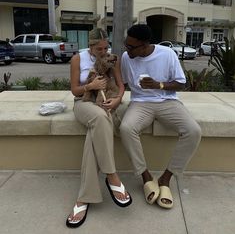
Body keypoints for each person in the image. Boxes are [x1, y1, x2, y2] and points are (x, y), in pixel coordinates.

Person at [120, 24, 201, 209]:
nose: (127, 50)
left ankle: (166, 178)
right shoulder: (127, 57)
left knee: (193, 131)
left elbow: (181, 83)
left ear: (145, 44)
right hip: (140, 102)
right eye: (126, 44)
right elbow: (122, 83)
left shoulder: (167, 54)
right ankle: (145, 176)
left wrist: (159, 85)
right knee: (126, 128)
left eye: (132, 47)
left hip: (167, 101)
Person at [67, 28, 132, 228]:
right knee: (100, 117)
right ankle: (112, 176)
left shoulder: (113, 58)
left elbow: (121, 85)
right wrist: (90, 86)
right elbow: (74, 90)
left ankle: (84, 198)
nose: (104, 51)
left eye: (106, 47)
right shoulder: (78, 60)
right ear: (91, 46)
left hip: (107, 102)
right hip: (84, 103)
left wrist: (117, 100)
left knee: (96, 129)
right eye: (99, 48)